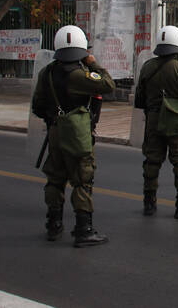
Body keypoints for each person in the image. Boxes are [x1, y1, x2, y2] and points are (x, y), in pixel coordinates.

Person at [32, 25, 114, 247]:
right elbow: (108, 83)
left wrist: (54, 117)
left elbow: (37, 106)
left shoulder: (46, 73)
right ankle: (83, 229)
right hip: (77, 133)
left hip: (55, 132)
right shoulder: (79, 75)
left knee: (55, 179)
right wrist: (92, 62)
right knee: (82, 179)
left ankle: (53, 224)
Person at [134, 25, 178, 219]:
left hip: (153, 120)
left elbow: (139, 98)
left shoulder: (147, 66)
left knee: (152, 161)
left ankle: (149, 203)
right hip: (176, 122)